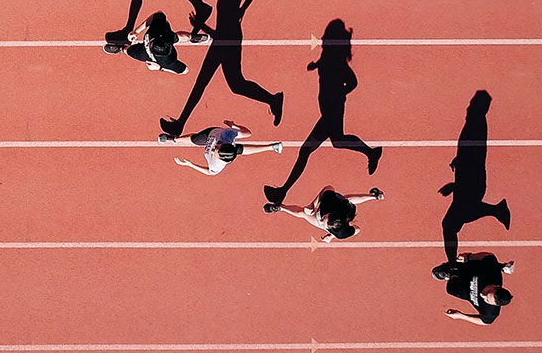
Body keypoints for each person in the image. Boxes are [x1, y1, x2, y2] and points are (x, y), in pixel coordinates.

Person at [160, 0, 285, 137]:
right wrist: (243, 9)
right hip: (229, 39)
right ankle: (272, 99)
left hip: (227, 41)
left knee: (205, 83)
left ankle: (179, 125)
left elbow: (221, 34)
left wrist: (201, 25)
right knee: (235, 84)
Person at [264, 19, 382, 205]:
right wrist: (316, 65)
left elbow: (353, 82)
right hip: (330, 109)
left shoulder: (336, 60)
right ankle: (371, 153)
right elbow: (329, 68)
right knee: (336, 141)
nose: (324, 39)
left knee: (306, 150)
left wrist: (338, 95)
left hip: (332, 110)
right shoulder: (328, 57)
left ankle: (283, 192)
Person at [440, 90, 510, 262]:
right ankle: (497, 210)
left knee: (450, 225)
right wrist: (458, 160)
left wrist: (454, 186)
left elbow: (473, 157)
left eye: (472, 103)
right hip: (469, 181)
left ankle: (452, 265)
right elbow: (470, 153)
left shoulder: (476, 124)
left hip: (471, 184)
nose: (468, 106)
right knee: (454, 222)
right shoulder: (474, 122)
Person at [263, 185, 381, 242]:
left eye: (324, 222)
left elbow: (357, 229)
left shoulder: (341, 234)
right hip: (338, 203)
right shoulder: (329, 203)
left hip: (343, 214)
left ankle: (281, 208)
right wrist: (312, 205)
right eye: (325, 218)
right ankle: (374, 196)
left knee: (303, 214)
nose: (322, 220)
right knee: (346, 199)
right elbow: (328, 188)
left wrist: (332, 236)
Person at [163, 120, 282, 176]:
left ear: (220, 158)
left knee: (241, 150)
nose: (214, 148)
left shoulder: (217, 165)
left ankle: (272, 147)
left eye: (215, 151)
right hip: (211, 133)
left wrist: (190, 165)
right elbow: (247, 133)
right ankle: (175, 139)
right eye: (218, 147)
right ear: (226, 144)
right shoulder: (226, 135)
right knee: (193, 139)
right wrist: (235, 126)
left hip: (224, 148)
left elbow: (209, 172)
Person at [435, 251, 515, 325]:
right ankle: (452, 270)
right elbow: (488, 256)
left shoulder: (491, 312)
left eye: (486, 300)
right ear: (496, 286)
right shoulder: (492, 272)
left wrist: (461, 316)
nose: (482, 295)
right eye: (487, 292)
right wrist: (468, 257)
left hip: (465, 292)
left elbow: (484, 321)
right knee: (448, 268)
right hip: (472, 271)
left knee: (450, 289)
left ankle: (451, 276)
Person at [104, 11, 195, 74]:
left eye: (149, 45)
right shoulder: (159, 30)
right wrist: (136, 31)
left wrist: (159, 68)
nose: (147, 44)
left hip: (145, 55)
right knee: (178, 37)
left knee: (128, 51)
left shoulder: (168, 62)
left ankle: (121, 49)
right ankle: (193, 37)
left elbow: (185, 71)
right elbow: (158, 15)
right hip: (166, 37)